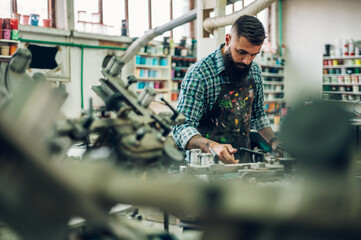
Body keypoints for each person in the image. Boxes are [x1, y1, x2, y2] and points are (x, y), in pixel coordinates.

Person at [172, 15, 281, 164]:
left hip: (242, 162)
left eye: (253, 55)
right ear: (228, 39)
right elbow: (181, 127)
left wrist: (274, 141)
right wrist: (212, 146)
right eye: (241, 52)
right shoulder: (200, 74)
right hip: (206, 164)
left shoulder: (254, 71)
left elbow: (258, 114)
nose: (247, 61)